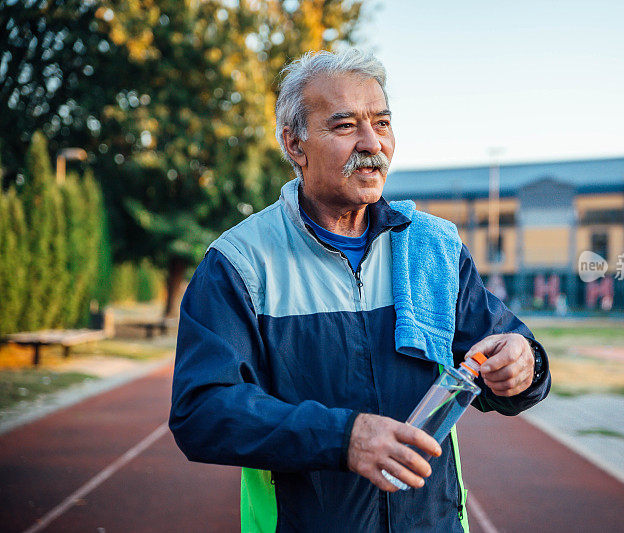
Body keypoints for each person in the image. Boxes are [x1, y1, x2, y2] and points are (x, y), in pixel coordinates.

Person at [169, 49, 551, 532]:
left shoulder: (431, 247)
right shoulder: (241, 263)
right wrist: (342, 437)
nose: (372, 143)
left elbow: (506, 354)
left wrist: (523, 364)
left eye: (382, 123)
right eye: (345, 126)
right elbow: (201, 411)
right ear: (294, 144)